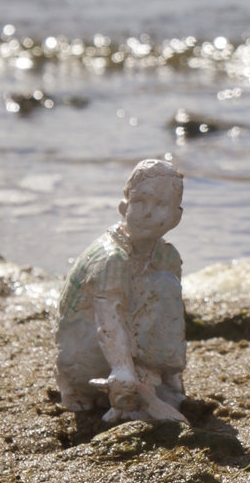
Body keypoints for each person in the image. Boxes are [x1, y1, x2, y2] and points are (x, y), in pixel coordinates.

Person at [56, 159, 188, 423]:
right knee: (163, 285)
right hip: (85, 360)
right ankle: (132, 393)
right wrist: (122, 369)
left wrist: (171, 375)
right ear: (123, 207)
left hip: (122, 359)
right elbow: (109, 320)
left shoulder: (167, 255)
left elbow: (169, 318)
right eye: (139, 202)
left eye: (160, 205)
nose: (147, 213)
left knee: (166, 286)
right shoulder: (111, 257)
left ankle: (153, 386)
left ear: (176, 217)